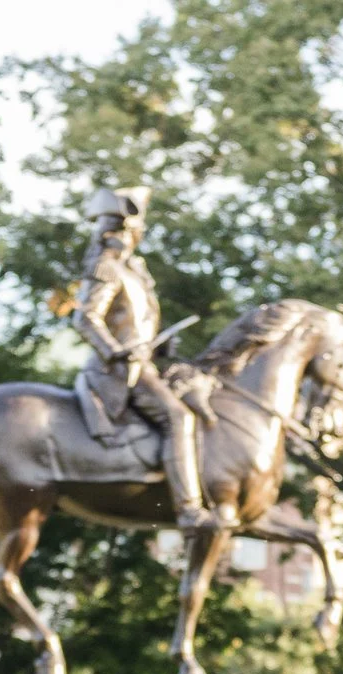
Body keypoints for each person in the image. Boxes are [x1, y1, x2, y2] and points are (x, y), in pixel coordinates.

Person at [73, 185, 223, 531]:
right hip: (117, 372)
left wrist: (156, 348)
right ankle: (189, 509)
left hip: (142, 364)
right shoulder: (105, 267)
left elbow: (132, 326)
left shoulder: (134, 273)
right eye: (122, 230)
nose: (128, 237)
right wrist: (117, 352)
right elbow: (85, 319)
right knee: (178, 417)